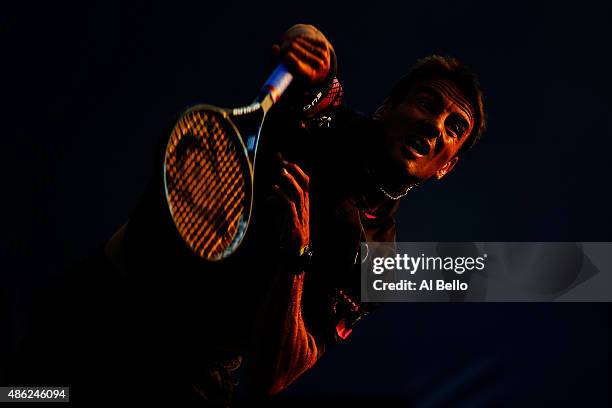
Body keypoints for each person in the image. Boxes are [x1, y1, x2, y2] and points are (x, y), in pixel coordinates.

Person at [13, 24, 485, 407]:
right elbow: (314, 74)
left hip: (184, 380)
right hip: (103, 307)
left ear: (447, 164)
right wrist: (310, 43)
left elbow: (273, 378)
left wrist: (296, 256)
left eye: (454, 128)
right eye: (427, 104)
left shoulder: (378, 263)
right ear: (387, 108)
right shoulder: (326, 120)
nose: (435, 125)